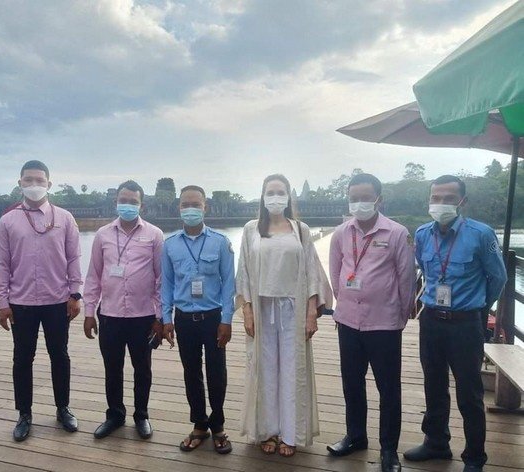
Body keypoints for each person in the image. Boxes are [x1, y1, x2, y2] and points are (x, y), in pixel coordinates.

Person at [404, 175, 507, 472]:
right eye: (436, 197)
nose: (441, 203)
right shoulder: (423, 233)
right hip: (432, 321)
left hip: (466, 325)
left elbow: (497, 277)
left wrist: (478, 307)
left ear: (462, 202)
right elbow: (425, 269)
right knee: (433, 385)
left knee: (469, 392)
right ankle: (436, 443)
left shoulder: (481, 234)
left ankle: (474, 457)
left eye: (449, 198)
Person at [236, 174, 332, 458]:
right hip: (263, 308)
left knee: (293, 371)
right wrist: (248, 310)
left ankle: (291, 433)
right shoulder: (251, 229)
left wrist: (311, 312)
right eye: (270, 192)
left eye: (280, 192)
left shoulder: (299, 229)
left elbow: (312, 271)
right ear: (262, 196)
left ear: (289, 197)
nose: (275, 197)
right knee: (265, 370)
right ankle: (269, 430)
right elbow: (243, 272)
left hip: (293, 307)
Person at [326, 173, 415, 472]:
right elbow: (336, 276)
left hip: (385, 325)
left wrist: (399, 316)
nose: (359, 203)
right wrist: (348, 304)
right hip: (348, 322)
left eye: (365, 197)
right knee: (352, 383)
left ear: (379, 199)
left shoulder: (397, 233)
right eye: (354, 198)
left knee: (388, 389)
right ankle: (355, 436)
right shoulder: (341, 233)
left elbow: (406, 280)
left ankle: (389, 450)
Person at [0, 160, 83, 442]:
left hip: (58, 300)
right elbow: (0, 263)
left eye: (39, 180)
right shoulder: (8, 221)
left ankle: (63, 408)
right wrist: (2, 302)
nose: (34, 185)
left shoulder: (64, 218)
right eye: (28, 180)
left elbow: (74, 257)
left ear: (49, 184)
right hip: (21, 302)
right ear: (19, 183)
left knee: (60, 355)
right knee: (22, 358)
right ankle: (24, 413)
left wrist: (76, 293)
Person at [83, 180, 164, 440]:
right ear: (116, 201)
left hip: (143, 316)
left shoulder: (154, 235)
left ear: (142, 204)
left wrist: (160, 317)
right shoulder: (103, 234)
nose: (127, 205)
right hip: (110, 315)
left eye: (132, 201)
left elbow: (162, 279)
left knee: (143, 368)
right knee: (112, 368)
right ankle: (115, 415)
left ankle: (142, 415)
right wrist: (88, 312)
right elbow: (94, 275)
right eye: (123, 200)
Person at [161, 185, 235, 454]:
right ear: (178, 208)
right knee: (191, 372)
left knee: (217, 372)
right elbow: (166, 284)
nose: (190, 209)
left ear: (206, 207)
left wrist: (227, 319)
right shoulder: (169, 245)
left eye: (195, 204)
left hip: (213, 318)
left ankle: (218, 426)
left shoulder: (220, 241)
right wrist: (165, 318)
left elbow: (229, 284)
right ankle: (200, 424)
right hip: (183, 318)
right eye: (185, 204)